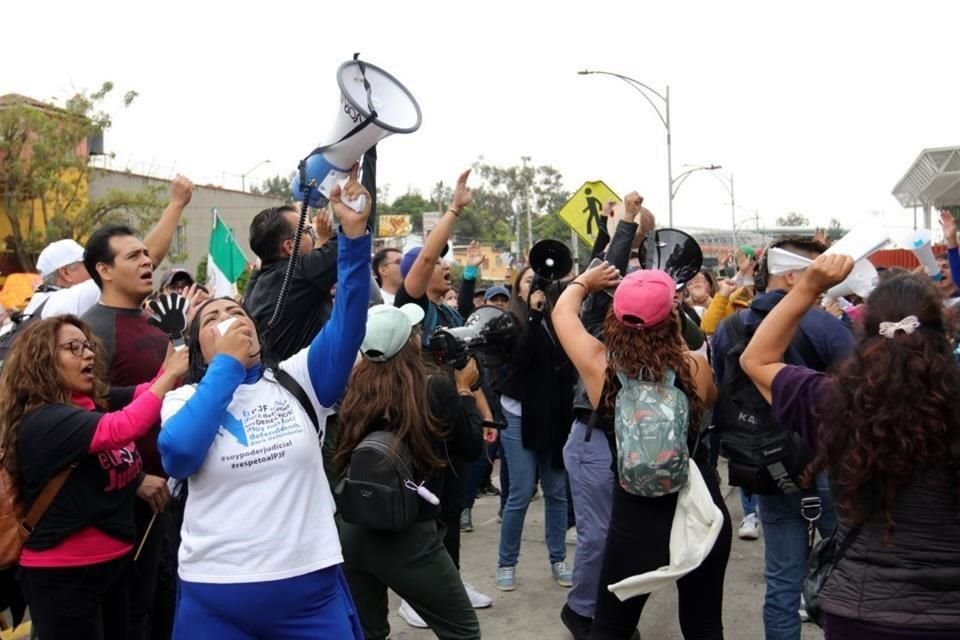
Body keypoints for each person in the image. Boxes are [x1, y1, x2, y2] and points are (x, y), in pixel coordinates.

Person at [157, 170, 372, 639]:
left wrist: (354, 237)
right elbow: (179, 455)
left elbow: (349, 322)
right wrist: (227, 367)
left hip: (309, 593)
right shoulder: (182, 399)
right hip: (213, 598)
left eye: (237, 312)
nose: (230, 319)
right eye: (212, 319)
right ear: (197, 348)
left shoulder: (297, 380)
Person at [740, 255, 960, 639]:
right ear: (943, 336)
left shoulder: (836, 403)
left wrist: (809, 286)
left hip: (858, 611)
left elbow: (756, 358)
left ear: (865, 336)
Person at [553, 263, 731, 640]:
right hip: (699, 507)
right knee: (703, 625)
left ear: (615, 318)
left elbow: (562, 313)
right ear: (672, 317)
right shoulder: (695, 367)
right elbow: (713, 398)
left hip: (635, 516)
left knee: (611, 628)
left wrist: (586, 281)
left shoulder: (600, 366)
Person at [0, 315, 187, 640]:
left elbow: (150, 392)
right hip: (64, 576)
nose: (87, 353)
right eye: (73, 347)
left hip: (114, 567)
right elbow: (125, 426)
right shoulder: (45, 420)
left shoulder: (90, 403)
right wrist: (171, 373)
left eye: (87, 346)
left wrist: (177, 340)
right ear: (42, 360)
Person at [711, 236, 853, 640]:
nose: (828, 281)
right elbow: (860, 398)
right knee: (850, 572)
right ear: (792, 276)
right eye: (819, 271)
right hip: (828, 468)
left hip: (765, 464)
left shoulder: (729, 327)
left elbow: (722, 392)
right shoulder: (824, 325)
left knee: (782, 583)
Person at [335, 304, 484, 640]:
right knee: (463, 631)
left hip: (352, 527)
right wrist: (464, 390)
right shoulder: (434, 387)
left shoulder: (354, 387)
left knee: (368, 632)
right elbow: (472, 447)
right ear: (412, 342)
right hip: (409, 535)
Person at [392, 170, 493, 621]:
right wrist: (454, 210)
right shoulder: (412, 308)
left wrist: (481, 411)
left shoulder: (450, 312)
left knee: (451, 508)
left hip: (454, 419)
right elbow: (428, 252)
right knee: (424, 512)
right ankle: (415, 596)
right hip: (421, 422)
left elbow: (467, 364)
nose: (443, 265)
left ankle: (449, 580)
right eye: (436, 262)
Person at [562, 192, 655, 639]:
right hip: (594, 437)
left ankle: (606, 612)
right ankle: (582, 611)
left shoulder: (658, 315)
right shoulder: (600, 321)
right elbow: (605, 273)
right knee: (598, 536)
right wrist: (625, 224)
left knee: (624, 537)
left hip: (631, 441)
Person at [494, 263, 576, 592]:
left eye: (540, 280)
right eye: (529, 281)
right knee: (521, 490)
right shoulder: (510, 322)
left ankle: (558, 559)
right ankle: (506, 563)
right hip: (518, 414)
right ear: (518, 289)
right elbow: (519, 361)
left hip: (553, 415)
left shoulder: (561, 319)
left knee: (556, 491)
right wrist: (533, 316)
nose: (536, 285)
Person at [20, 177, 195, 322]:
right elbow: (151, 257)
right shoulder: (74, 299)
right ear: (66, 273)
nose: (96, 269)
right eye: (87, 265)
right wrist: (176, 203)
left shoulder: (34, 307)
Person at [243, 202, 335, 360]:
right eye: (308, 231)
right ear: (290, 246)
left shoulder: (259, 282)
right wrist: (326, 238)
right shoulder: (300, 272)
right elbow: (354, 236)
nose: (313, 236)